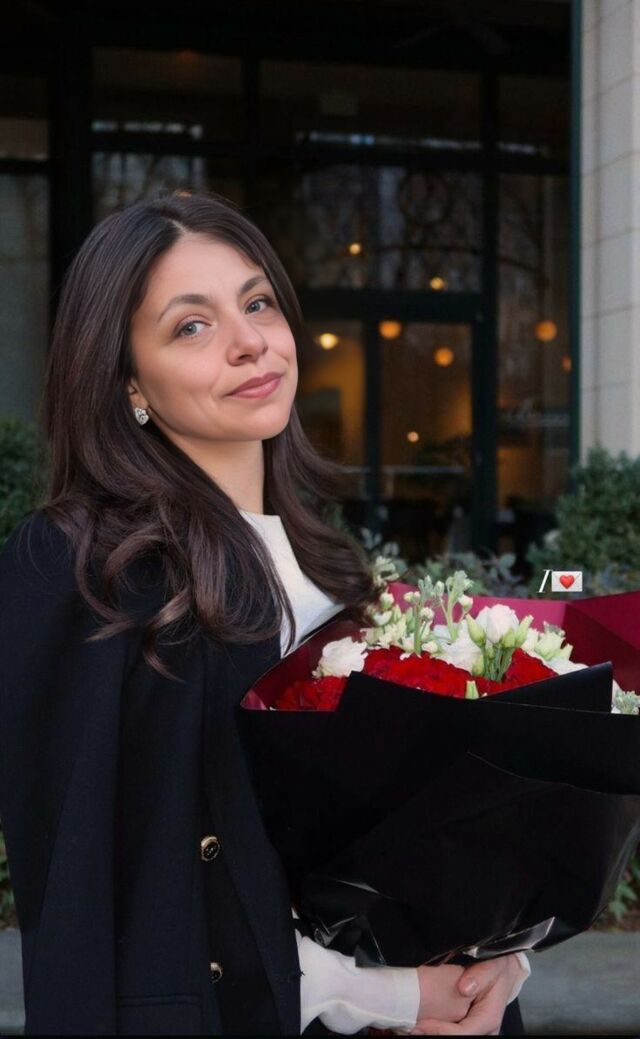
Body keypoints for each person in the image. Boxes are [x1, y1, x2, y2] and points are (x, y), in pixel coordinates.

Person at [0, 190, 530, 1035]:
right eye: (191, 325)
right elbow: (98, 902)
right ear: (127, 380)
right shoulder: (84, 569)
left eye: (257, 303)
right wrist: (396, 995)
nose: (249, 341)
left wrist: (497, 956)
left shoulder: (336, 571)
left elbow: (408, 842)